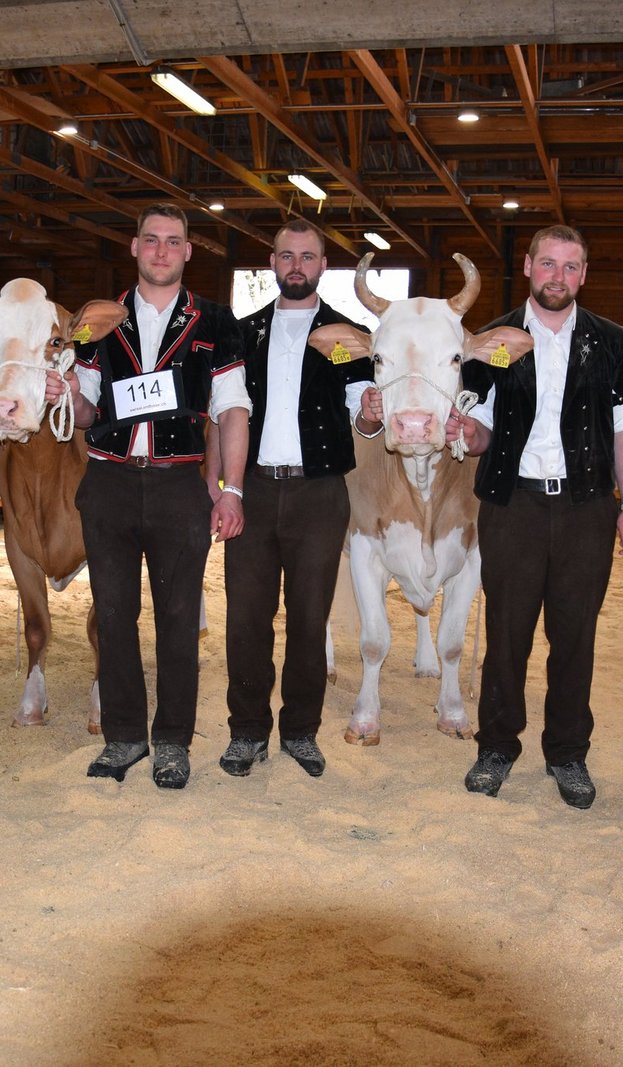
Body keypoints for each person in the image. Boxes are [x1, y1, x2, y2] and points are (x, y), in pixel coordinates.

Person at [46, 203, 249, 788]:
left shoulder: (215, 321)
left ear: (188, 251)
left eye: (173, 241)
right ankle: (125, 736)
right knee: (113, 615)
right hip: (109, 481)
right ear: (134, 247)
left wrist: (231, 490)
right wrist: (66, 393)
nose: (162, 250)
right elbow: (87, 411)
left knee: (179, 619)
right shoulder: (99, 320)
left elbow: (232, 409)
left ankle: (173, 742)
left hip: (179, 485)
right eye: (152, 240)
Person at [445, 224, 623, 807]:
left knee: (575, 636)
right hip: (514, 505)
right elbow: (480, 429)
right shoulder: (491, 340)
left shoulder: (615, 342)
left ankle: (568, 754)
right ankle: (496, 747)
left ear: (583, 275)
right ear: (529, 266)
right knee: (507, 633)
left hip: (587, 507)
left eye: (570, 266)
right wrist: (469, 435)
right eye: (549, 263)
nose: (559, 276)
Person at [218, 219, 371, 779]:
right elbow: (223, 412)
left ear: (323, 265)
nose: (297, 266)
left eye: (308, 257)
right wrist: (223, 486)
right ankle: (247, 731)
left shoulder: (351, 336)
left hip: (320, 493)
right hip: (253, 490)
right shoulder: (242, 333)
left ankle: (301, 732)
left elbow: (364, 418)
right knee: (246, 619)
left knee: (309, 619)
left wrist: (371, 416)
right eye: (287, 256)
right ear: (273, 264)